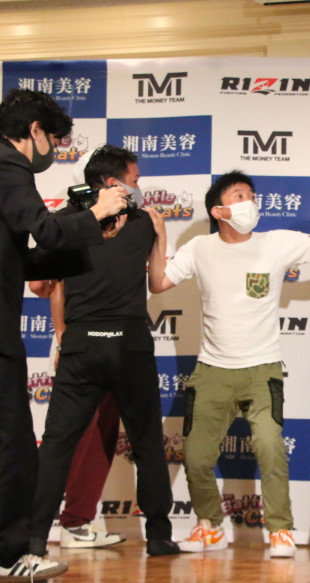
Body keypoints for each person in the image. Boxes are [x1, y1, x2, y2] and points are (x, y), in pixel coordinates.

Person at [147, 171, 310, 558]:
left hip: (262, 371)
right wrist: (160, 238)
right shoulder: (200, 248)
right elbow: (157, 283)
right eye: (240, 196)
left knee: (271, 448)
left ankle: (281, 530)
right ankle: (209, 527)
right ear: (219, 210)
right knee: (196, 456)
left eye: (252, 196)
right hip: (211, 371)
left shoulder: (275, 244)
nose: (250, 203)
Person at [29, 144, 181, 559]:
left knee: (57, 444)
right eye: (134, 180)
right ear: (113, 182)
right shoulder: (144, 221)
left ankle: (34, 540)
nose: (139, 187)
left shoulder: (64, 222)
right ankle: (160, 536)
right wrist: (161, 236)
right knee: (147, 442)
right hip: (129, 343)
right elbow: (157, 282)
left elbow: (39, 283)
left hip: (80, 344)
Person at [0, 89, 127, 580]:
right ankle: (11, 556)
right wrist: (95, 212)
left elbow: (27, 261)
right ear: (34, 131)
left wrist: (91, 235)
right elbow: (46, 231)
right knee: (14, 449)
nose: (54, 150)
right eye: (53, 139)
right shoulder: (9, 165)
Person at [27, 279, 125, 551]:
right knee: (71, 439)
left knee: (99, 436)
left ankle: (75, 522)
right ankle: (36, 527)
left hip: (109, 346)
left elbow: (39, 286)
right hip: (81, 346)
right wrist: (62, 338)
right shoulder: (74, 247)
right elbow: (39, 285)